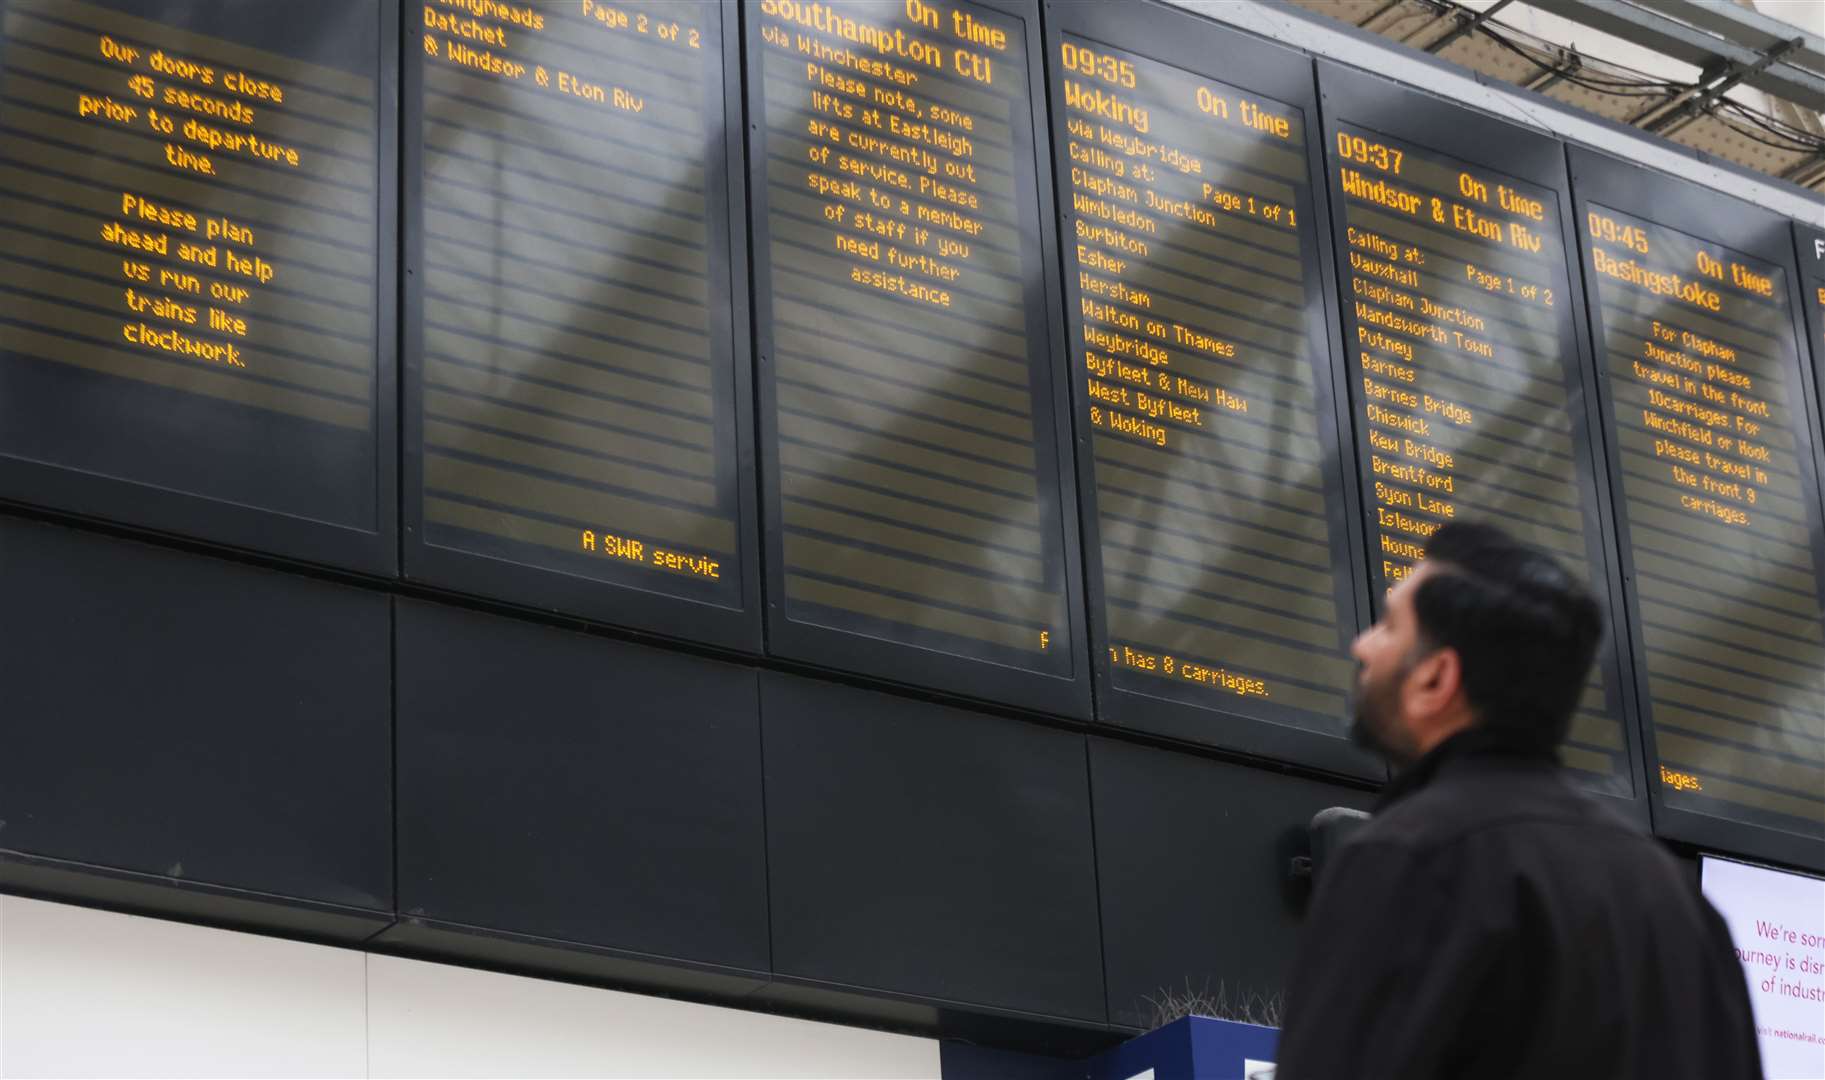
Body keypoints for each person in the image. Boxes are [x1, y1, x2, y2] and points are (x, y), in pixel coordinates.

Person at [1275, 521, 1761, 1080]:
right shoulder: (1686, 912)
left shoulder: (1410, 862)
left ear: (1437, 679)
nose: (1361, 644)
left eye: (1388, 627)